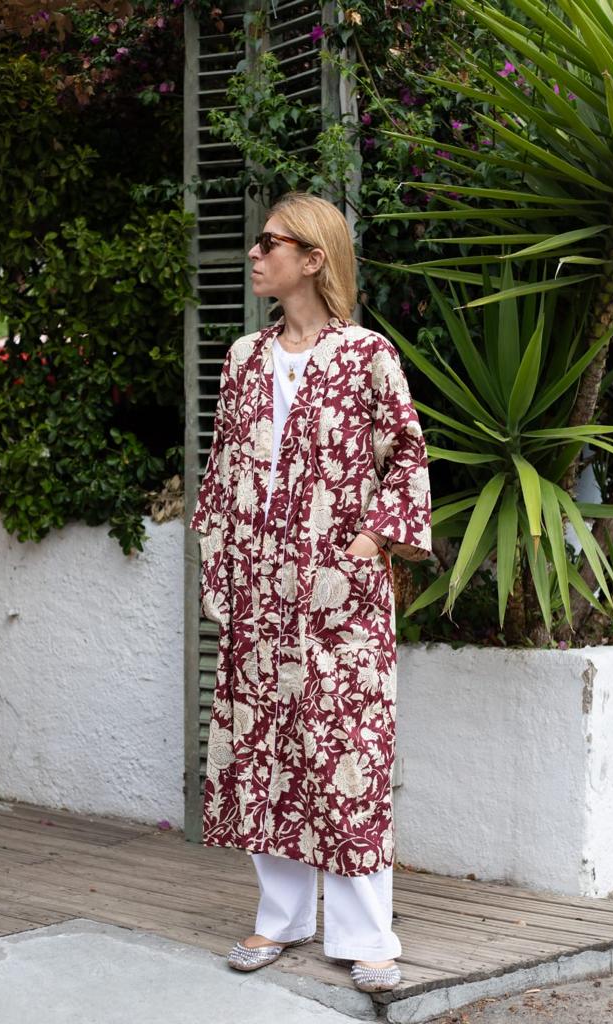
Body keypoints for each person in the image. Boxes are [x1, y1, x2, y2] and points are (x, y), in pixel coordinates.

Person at [189, 192, 432, 993]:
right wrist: (220, 562)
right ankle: (281, 917)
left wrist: (368, 545)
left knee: (346, 752)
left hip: (339, 594)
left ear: (313, 258)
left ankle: (366, 936)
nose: (254, 254)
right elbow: (222, 468)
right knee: (266, 750)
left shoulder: (367, 355)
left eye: (270, 243)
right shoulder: (243, 357)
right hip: (259, 589)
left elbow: (406, 457)